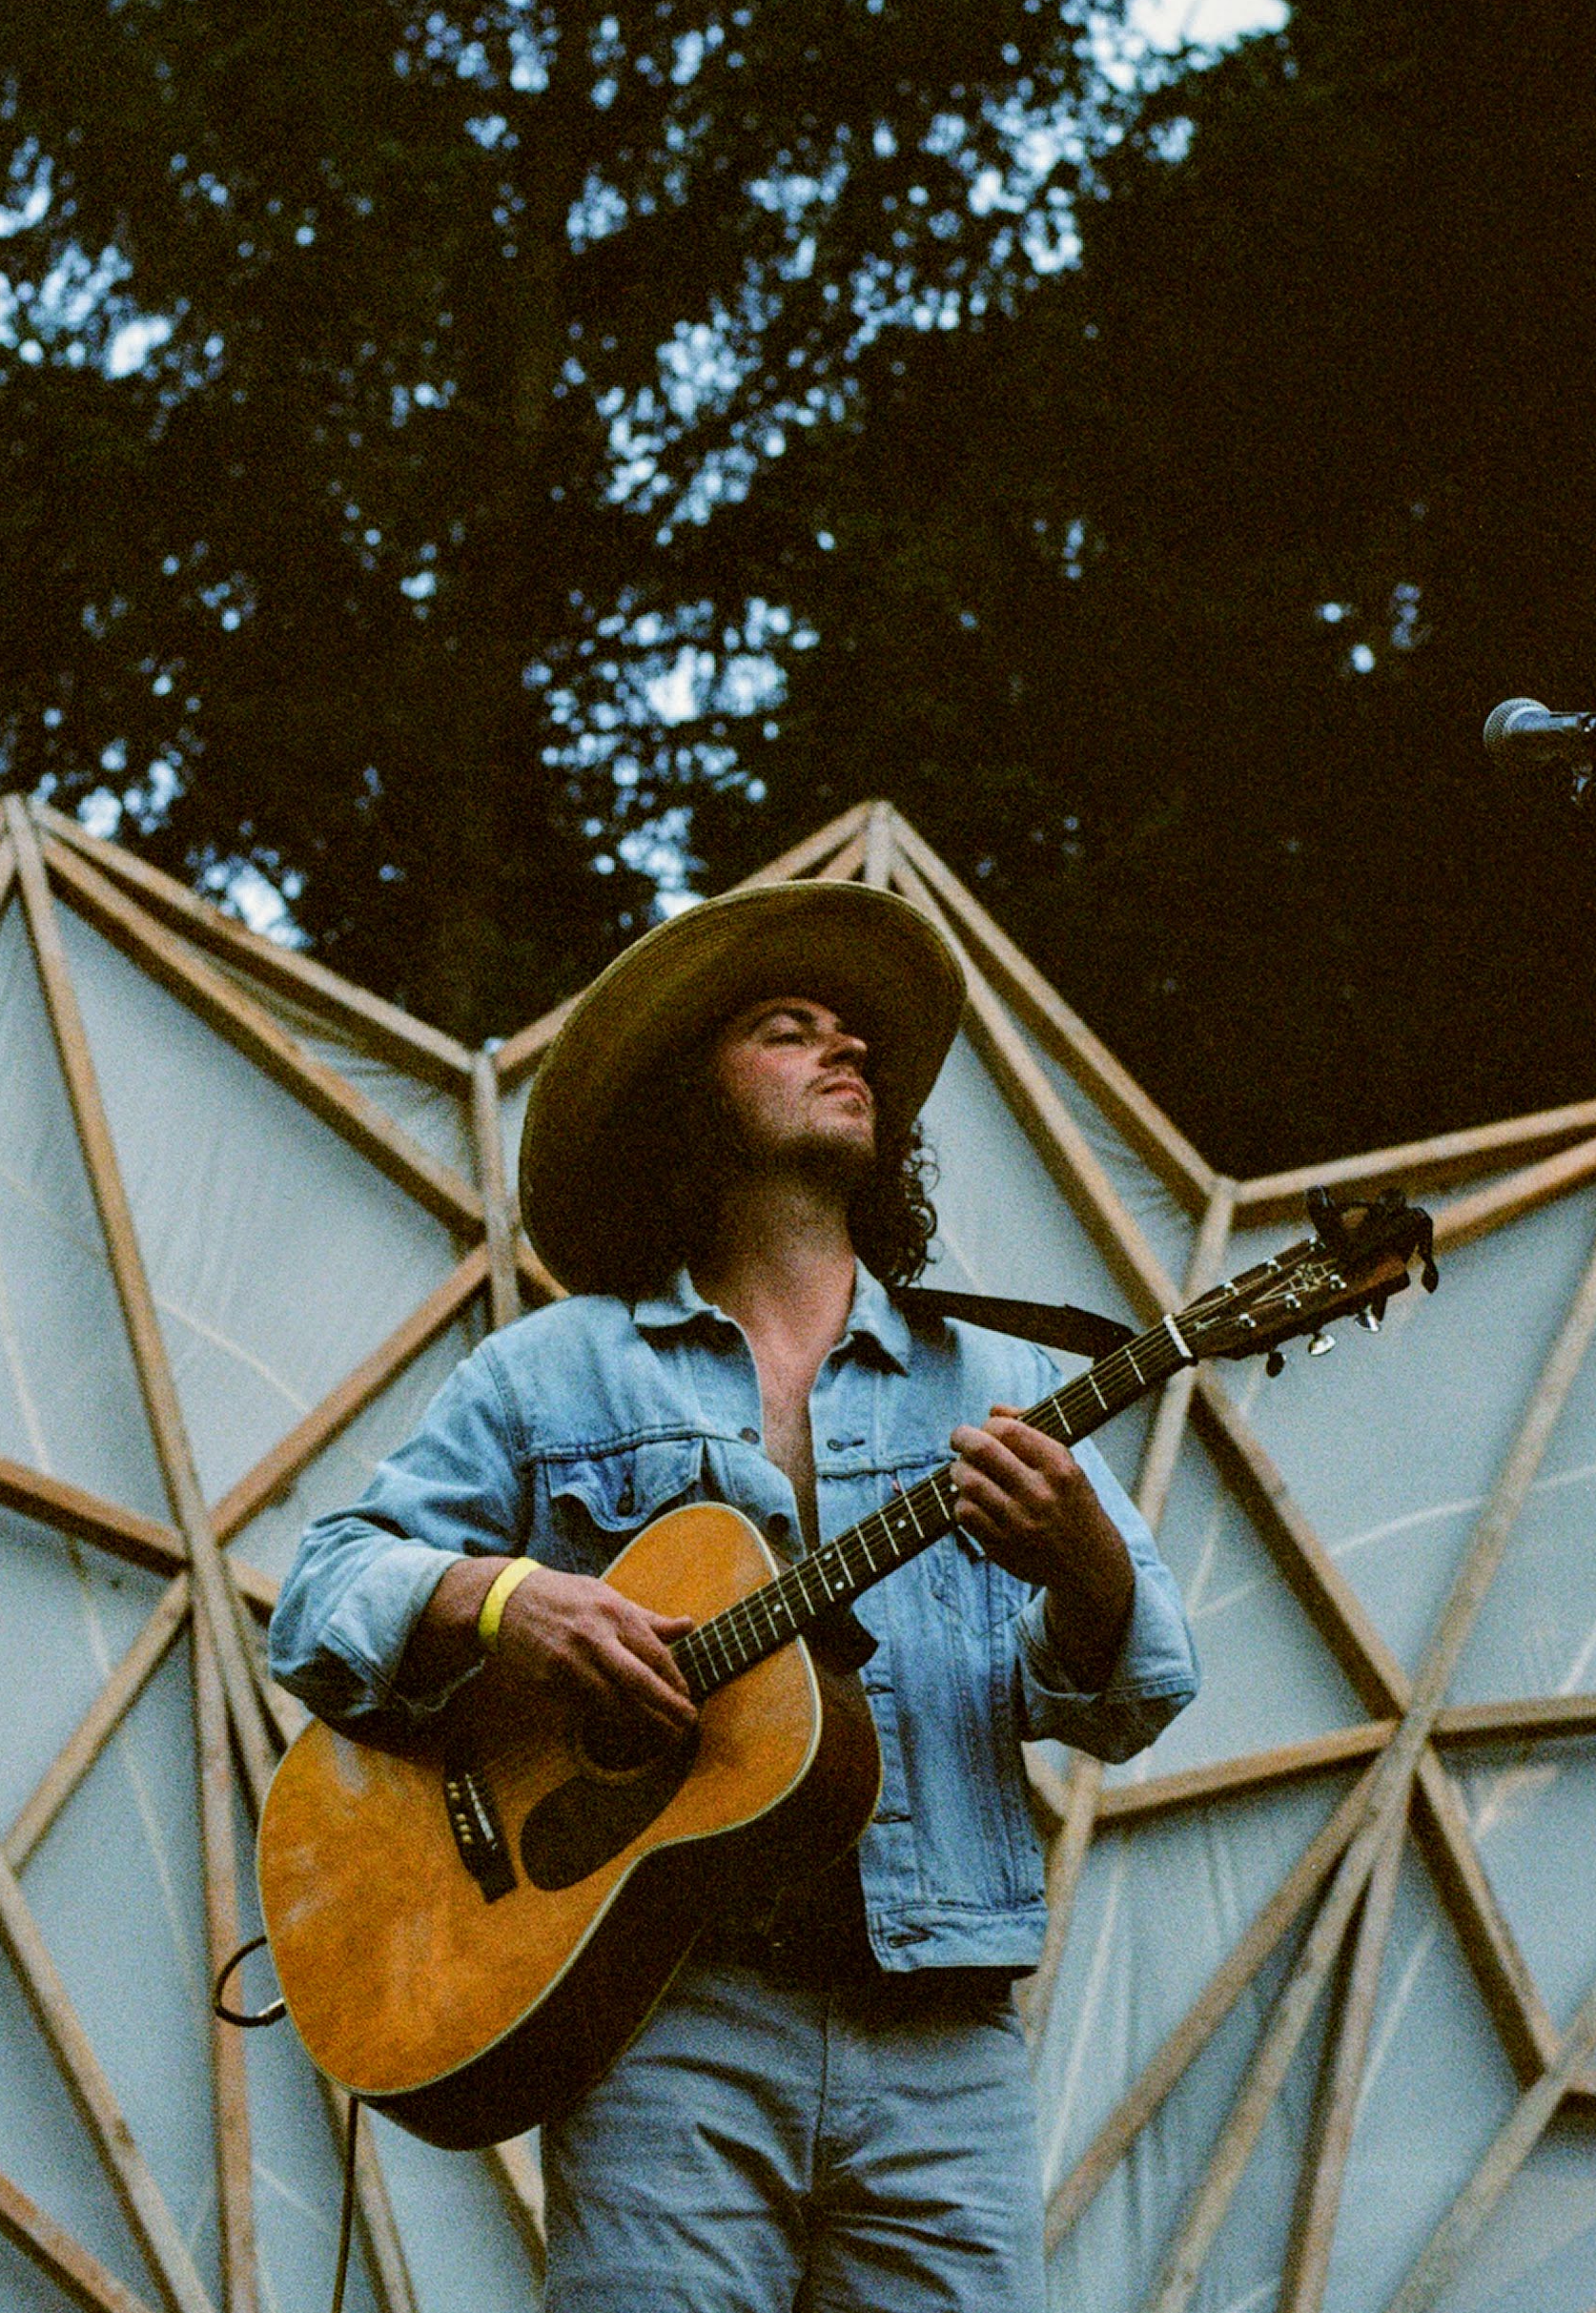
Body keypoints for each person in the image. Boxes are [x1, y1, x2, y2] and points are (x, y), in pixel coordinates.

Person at [269, 880, 1197, 2313]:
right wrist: (515, 1602)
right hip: (669, 2028)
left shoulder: (1001, 1386)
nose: (849, 1053)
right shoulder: (554, 1370)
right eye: (790, 1027)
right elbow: (323, 1592)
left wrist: (1087, 1562)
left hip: (942, 2043)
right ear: (688, 1100)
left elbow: (1137, 1692)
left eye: (861, 1042)